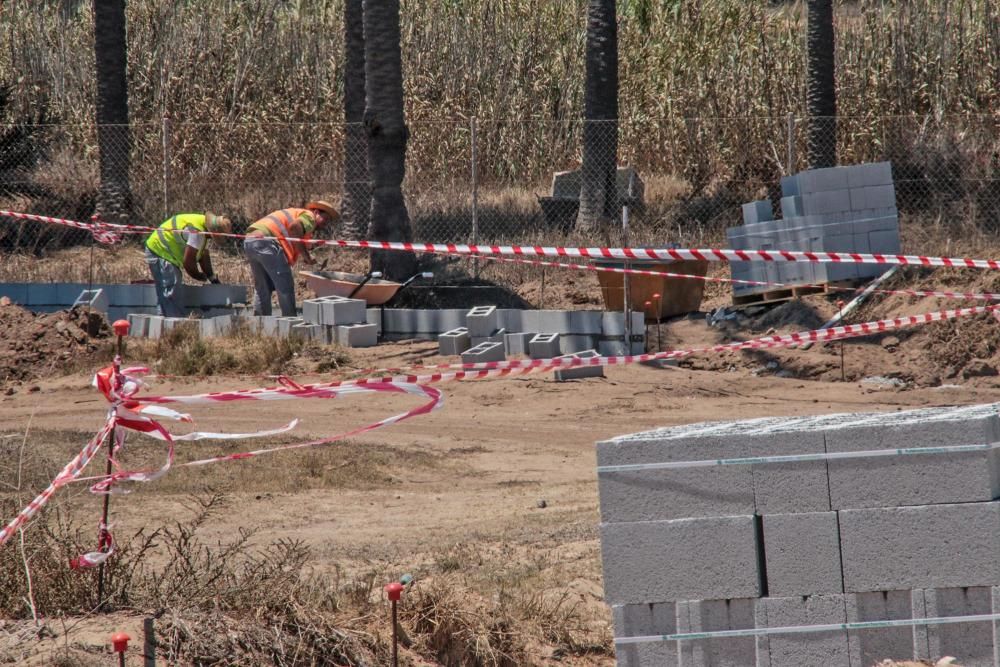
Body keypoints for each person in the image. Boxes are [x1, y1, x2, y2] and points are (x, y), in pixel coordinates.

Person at [244, 200, 339, 316]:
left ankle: (260, 325)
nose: (326, 223)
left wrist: (307, 250)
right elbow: (294, 228)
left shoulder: (297, 216)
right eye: (326, 219)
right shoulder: (309, 217)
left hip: (250, 240)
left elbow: (296, 239)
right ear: (316, 212)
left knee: (263, 287)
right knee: (285, 285)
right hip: (267, 242)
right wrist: (307, 256)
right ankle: (291, 324)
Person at [144, 212, 232, 317]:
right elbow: (188, 263)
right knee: (172, 288)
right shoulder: (197, 233)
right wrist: (198, 275)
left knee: (165, 293)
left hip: (159, 249)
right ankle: (174, 323)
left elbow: (203, 255)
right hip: (160, 250)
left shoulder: (201, 224)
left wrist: (212, 278)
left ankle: (163, 323)